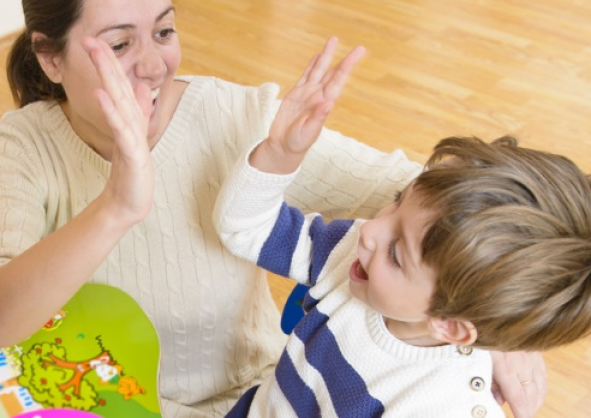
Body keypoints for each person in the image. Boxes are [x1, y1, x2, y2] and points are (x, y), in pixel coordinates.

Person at [0, 0, 547, 415]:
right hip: (101, 401)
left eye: (164, 31)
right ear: (50, 58)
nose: (155, 64)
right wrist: (115, 206)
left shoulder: (236, 116)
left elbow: (434, 201)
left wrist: (492, 320)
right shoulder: (22, 146)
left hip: (256, 398)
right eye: (118, 44)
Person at [213, 41, 591, 417]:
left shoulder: (437, 407)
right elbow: (246, 229)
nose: (370, 230)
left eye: (396, 252)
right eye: (397, 200)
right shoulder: (349, 254)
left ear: (450, 327)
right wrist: (280, 152)